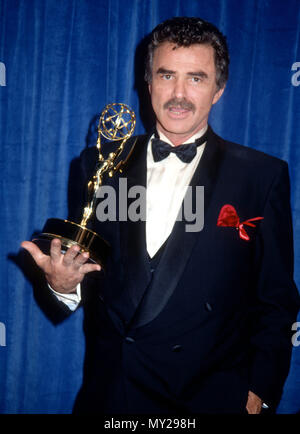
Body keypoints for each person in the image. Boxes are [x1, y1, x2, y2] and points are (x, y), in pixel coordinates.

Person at [21, 17, 300, 414]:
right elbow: (89, 271)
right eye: (167, 75)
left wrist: (260, 393)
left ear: (219, 89)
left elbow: (275, 299)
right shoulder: (99, 164)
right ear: (147, 81)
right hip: (114, 398)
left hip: (211, 398)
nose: (179, 94)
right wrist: (63, 285)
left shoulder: (260, 176)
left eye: (197, 78)